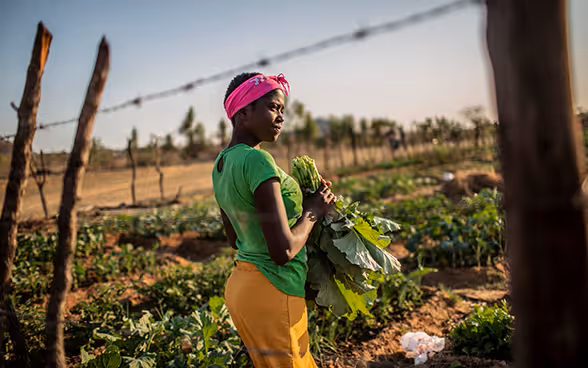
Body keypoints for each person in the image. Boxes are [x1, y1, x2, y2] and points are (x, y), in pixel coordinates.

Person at [212, 72, 336, 367]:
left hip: (244, 288)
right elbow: (282, 251)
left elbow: (234, 238)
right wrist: (313, 211)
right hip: (274, 289)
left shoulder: (222, 163)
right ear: (243, 112)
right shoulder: (258, 160)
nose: (281, 117)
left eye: (282, 110)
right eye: (272, 107)